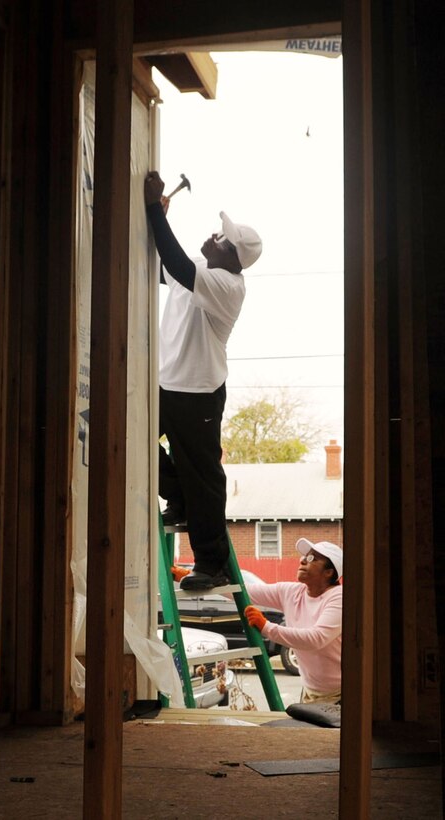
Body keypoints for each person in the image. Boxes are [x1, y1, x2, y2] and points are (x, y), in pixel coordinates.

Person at [144, 170, 263, 592]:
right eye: (217, 233)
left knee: (205, 477)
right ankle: (178, 498)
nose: (214, 237)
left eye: (223, 240)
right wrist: (156, 218)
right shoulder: (198, 266)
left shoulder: (227, 285)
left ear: (233, 258)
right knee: (132, 443)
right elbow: (162, 263)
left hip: (199, 393)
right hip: (165, 382)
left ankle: (211, 564)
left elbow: (173, 261)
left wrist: (153, 212)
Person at [244, 538, 342, 704]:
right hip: (310, 692)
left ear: (329, 572)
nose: (303, 560)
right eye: (304, 556)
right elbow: (247, 591)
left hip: (340, 695)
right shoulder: (291, 592)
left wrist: (266, 627)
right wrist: (187, 577)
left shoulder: (338, 597)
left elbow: (316, 638)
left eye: (313, 559)